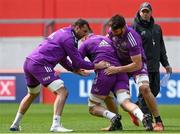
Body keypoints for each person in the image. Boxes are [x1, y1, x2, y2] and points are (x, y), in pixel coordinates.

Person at [9, 19, 108, 132]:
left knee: (32, 94)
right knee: (63, 92)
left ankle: (15, 124)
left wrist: (74, 70)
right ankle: (55, 125)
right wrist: (97, 66)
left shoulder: (63, 32)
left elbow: (62, 58)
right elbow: (78, 62)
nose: (85, 35)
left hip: (29, 62)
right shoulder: (69, 39)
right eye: (84, 31)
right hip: (40, 64)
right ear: (77, 28)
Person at [78, 33, 153, 131]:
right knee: (125, 102)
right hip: (120, 72)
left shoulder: (85, 43)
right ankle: (143, 117)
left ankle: (113, 117)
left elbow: (77, 61)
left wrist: (81, 69)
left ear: (84, 37)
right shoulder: (109, 40)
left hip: (105, 73)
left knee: (93, 107)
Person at [104, 14, 164, 131]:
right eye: (112, 31)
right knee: (115, 95)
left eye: (116, 31)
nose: (113, 34)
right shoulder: (112, 31)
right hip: (121, 65)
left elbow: (137, 64)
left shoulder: (132, 37)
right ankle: (126, 114)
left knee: (145, 89)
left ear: (123, 28)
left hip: (136, 65)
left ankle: (158, 121)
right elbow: (105, 41)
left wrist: (117, 69)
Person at [132, 2, 172, 130]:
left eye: (147, 11)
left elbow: (161, 48)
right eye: (142, 11)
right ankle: (149, 121)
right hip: (142, 67)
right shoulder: (135, 28)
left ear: (151, 12)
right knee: (145, 92)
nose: (145, 13)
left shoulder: (157, 28)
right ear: (139, 12)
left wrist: (166, 64)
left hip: (155, 66)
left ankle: (134, 108)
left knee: (154, 92)